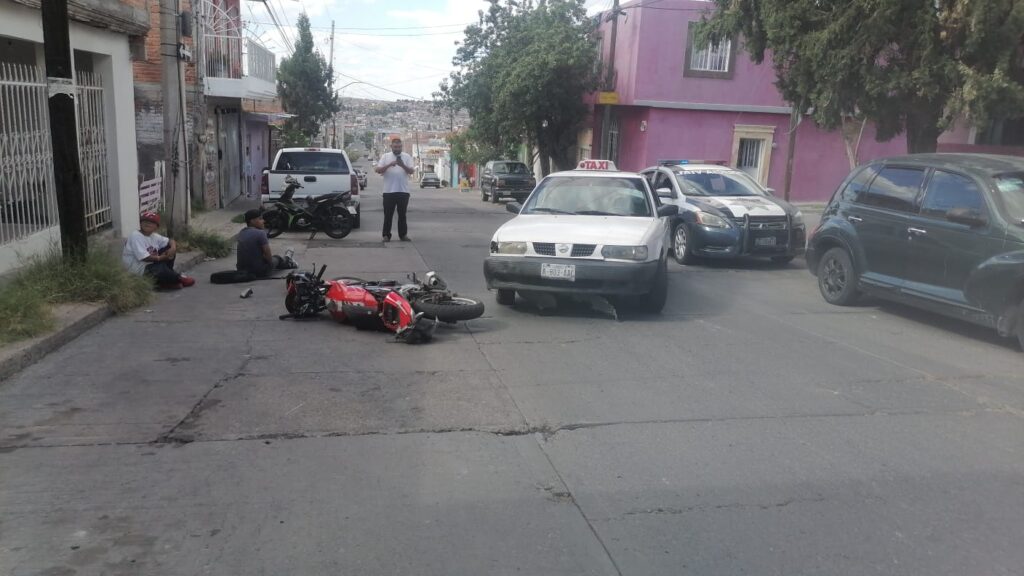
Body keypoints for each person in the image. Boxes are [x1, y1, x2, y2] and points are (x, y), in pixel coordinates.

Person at [122, 212, 195, 289]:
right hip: (138, 269)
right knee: (159, 269)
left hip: (151, 264)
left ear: (156, 227)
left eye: (151, 222)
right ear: (140, 223)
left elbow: (170, 240)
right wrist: (161, 258)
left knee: (168, 248)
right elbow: (144, 258)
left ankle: (166, 279)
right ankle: (177, 278)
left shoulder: (153, 236)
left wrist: (173, 248)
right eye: (145, 221)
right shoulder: (135, 236)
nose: (147, 223)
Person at [375, 137, 415, 242]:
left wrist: (402, 165)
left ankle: (403, 235)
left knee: (402, 215)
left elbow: (411, 171)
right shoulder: (385, 156)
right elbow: (378, 170)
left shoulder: (407, 157)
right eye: (395, 147)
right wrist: (389, 164)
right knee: (388, 215)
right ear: (391, 147)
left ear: (401, 146)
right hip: (388, 192)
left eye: (399, 146)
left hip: (403, 191)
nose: (397, 148)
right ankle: (386, 235)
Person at [236, 209, 293, 277]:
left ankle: (287, 260)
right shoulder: (261, 233)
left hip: (241, 270)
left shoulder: (241, 233)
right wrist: (270, 264)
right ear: (252, 221)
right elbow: (268, 256)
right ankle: (288, 260)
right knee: (277, 258)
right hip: (259, 271)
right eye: (260, 219)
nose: (263, 221)